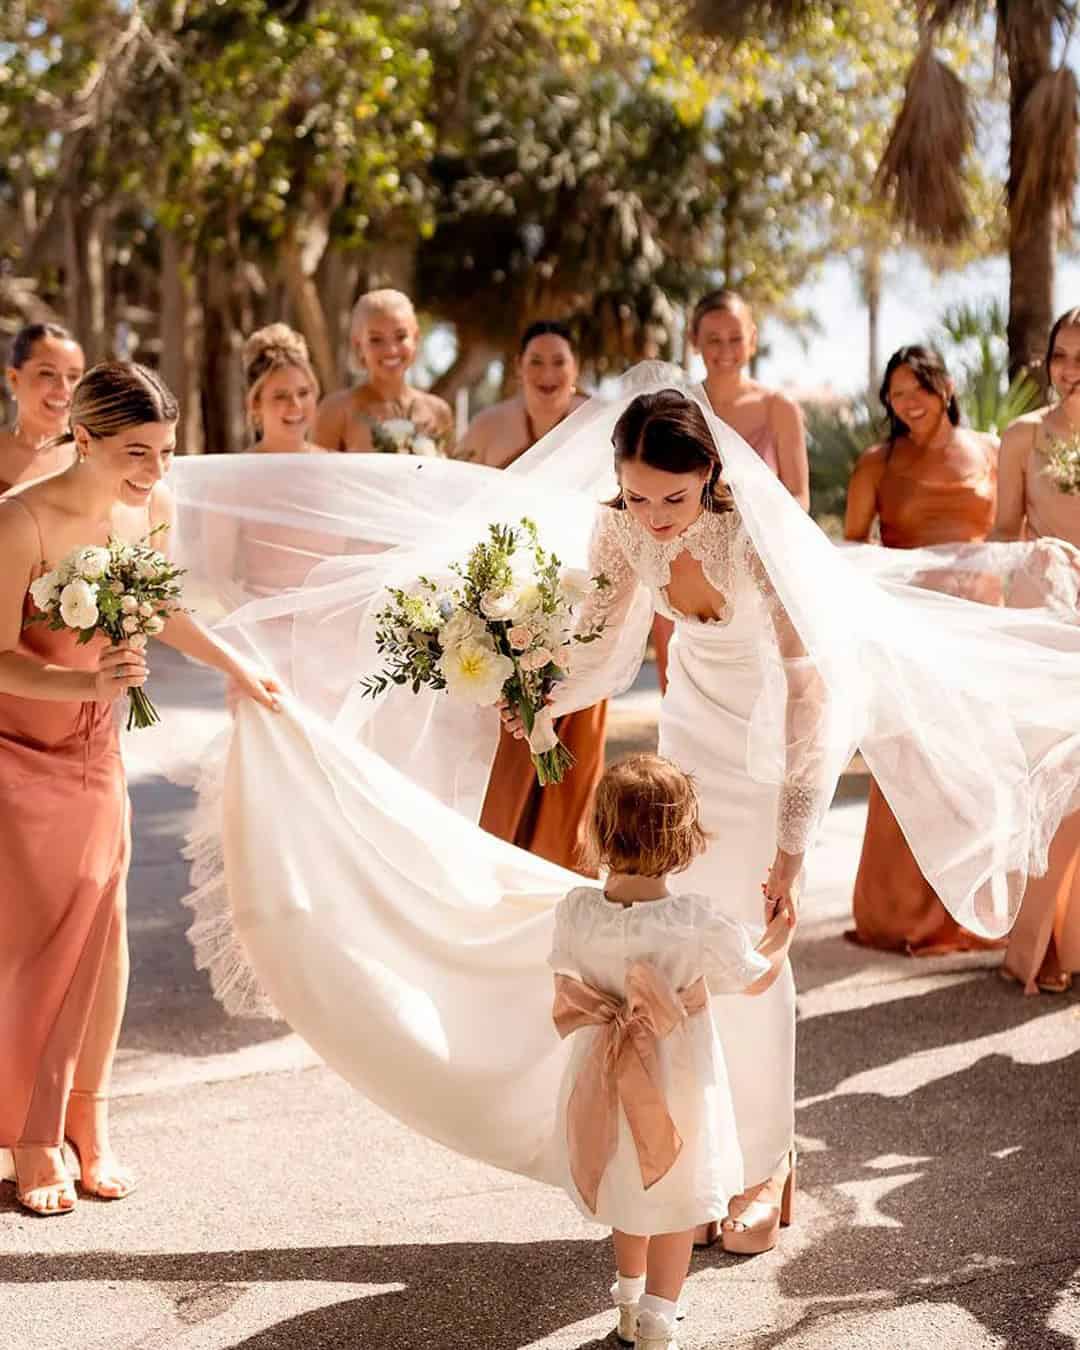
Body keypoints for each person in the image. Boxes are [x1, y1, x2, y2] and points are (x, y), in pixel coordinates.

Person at [0, 361, 279, 1216]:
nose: (155, 472)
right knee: (39, 945)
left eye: (164, 452)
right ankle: (32, 1138)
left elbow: (164, 609)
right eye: (135, 452)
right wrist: (84, 686)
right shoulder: (21, 522)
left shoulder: (148, 509)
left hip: (98, 755)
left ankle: (91, 1118)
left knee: (105, 938)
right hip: (18, 757)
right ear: (82, 439)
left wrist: (243, 669)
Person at [548, 754, 793, 1349]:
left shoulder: (575, 912)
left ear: (600, 832)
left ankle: (628, 1300)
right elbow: (755, 976)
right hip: (676, 1079)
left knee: (625, 1186)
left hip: (602, 1073)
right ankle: (659, 1315)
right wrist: (781, 933)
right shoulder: (691, 920)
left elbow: (564, 978)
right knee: (678, 1195)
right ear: (681, 839)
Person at [843, 345, 1002, 956]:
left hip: (982, 628)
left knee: (975, 765)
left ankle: (975, 911)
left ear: (948, 387)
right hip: (910, 630)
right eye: (897, 393)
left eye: (919, 389)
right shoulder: (876, 463)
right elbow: (855, 549)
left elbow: (1010, 531)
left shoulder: (989, 450)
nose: (907, 403)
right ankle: (901, 913)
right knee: (912, 763)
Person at [462, 321, 603, 872]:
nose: (547, 374)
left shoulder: (601, 428)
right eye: (536, 362)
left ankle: (565, 866)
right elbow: (462, 511)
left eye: (558, 362)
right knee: (511, 734)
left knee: (577, 732)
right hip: (508, 603)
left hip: (580, 601)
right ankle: (501, 863)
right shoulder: (489, 427)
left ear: (576, 368)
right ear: (518, 367)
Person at [650, 291, 810, 692]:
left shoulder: (778, 408)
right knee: (681, 689)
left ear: (753, 339)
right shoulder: (675, 407)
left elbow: (799, 498)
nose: (725, 350)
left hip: (756, 562)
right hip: (681, 563)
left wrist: (759, 535)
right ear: (694, 341)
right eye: (713, 339)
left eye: (735, 338)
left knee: (756, 687)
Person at [993, 307, 1080, 993]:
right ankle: (1037, 950)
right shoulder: (1022, 436)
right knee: (1052, 786)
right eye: (1061, 356)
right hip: (1043, 624)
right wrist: (1036, 561)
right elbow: (1001, 532)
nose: (1070, 370)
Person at [313, 289, 454, 455]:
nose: (391, 350)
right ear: (358, 346)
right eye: (376, 339)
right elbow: (318, 477)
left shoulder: (438, 412)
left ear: (415, 339)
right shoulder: (337, 410)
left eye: (400, 336)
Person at [0, 323, 86, 493]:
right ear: (13, 379)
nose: (63, 388)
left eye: (73, 376)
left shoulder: (96, 457)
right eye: (47, 373)